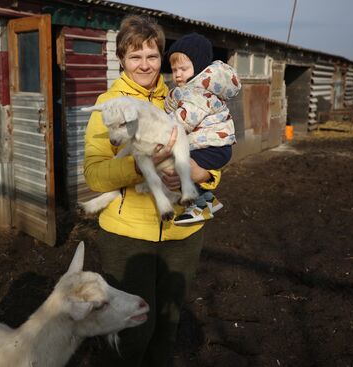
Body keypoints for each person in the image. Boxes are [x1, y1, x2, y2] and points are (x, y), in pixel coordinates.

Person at [84, 15, 221, 367]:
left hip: (183, 231)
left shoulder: (183, 97)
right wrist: (139, 164)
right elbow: (94, 176)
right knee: (132, 330)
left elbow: (213, 148)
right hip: (128, 237)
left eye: (152, 55)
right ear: (121, 60)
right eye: (135, 56)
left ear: (162, 57)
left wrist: (202, 174)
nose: (144, 64)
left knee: (167, 325)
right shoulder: (108, 105)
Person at [165, 32, 241, 225]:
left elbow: (183, 121)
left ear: (198, 68)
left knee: (181, 164)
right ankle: (209, 199)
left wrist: (163, 125)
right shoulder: (194, 91)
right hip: (216, 146)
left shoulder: (198, 94)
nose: (177, 74)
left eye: (183, 68)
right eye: (174, 70)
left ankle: (198, 206)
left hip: (212, 148)